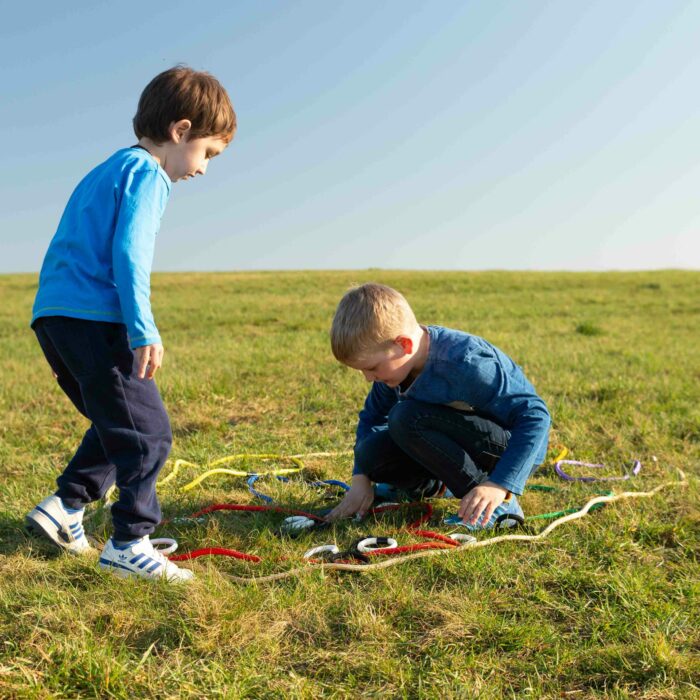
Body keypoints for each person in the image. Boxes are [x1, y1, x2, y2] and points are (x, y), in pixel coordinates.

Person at [25, 66, 236, 581]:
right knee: (149, 434)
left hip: (55, 316)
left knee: (118, 423)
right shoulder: (148, 174)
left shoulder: (109, 168)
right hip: (95, 318)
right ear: (180, 131)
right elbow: (130, 252)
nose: (204, 170)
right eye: (208, 153)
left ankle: (65, 508)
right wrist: (142, 328)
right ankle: (130, 542)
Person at [327, 283, 551, 529]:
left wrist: (499, 484)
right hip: (453, 439)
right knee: (370, 451)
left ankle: (495, 506)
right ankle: (433, 487)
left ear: (404, 345)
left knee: (407, 417)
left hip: (509, 449)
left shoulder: (465, 364)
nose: (369, 378)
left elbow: (535, 415)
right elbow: (372, 418)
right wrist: (361, 478)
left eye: (371, 368)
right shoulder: (395, 370)